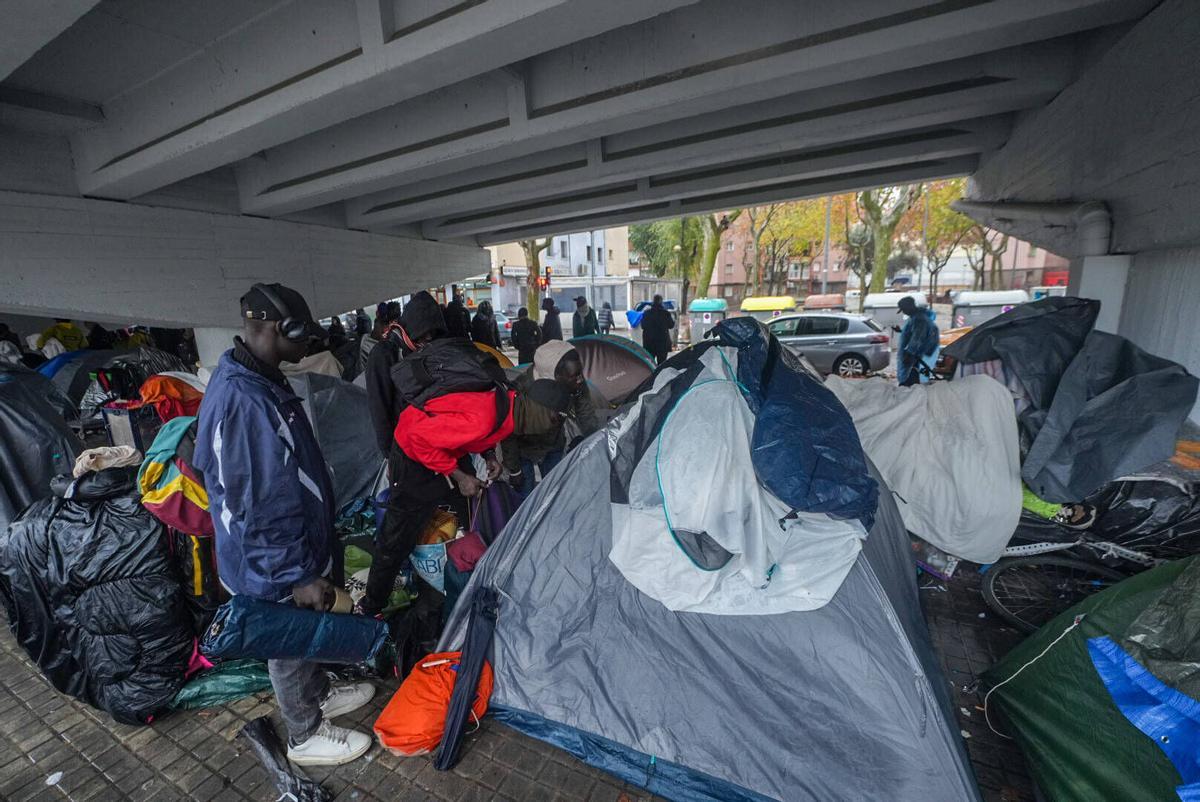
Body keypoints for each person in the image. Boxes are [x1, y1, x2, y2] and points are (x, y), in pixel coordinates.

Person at [193, 283, 374, 766]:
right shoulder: (245, 400)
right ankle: (304, 734)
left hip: (283, 549)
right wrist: (294, 572)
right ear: (279, 329)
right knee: (289, 639)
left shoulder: (253, 379)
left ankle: (316, 694)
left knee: (305, 627)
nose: (311, 346)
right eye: (304, 336)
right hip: (271, 559)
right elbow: (259, 505)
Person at [359, 292, 511, 618]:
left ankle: (451, 594)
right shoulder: (384, 356)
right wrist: (395, 463)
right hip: (414, 460)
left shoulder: (446, 354)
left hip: (450, 458)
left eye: (433, 337)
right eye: (423, 337)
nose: (428, 343)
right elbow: (382, 417)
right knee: (395, 540)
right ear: (408, 329)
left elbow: (467, 409)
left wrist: (484, 452)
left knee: (458, 530)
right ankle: (373, 604)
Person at [503, 342, 599, 498]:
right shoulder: (521, 391)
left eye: (580, 373)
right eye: (574, 375)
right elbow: (507, 432)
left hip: (553, 444)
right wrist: (514, 470)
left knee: (555, 494)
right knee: (525, 498)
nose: (581, 380)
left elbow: (585, 413)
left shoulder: (576, 384)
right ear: (555, 376)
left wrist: (596, 441)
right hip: (523, 451)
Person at [896, 295, 939, 387]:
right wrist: (901, 331)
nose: (903, 312)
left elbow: (917, 338)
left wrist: (909, 354)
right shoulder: (915, 317)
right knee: (911, 383)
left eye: (903, 309)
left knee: (910, 385)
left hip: (916, 358)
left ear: (909, 307)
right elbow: (914, 334)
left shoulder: (919, 320)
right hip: (915, 357)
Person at [640, 295, 675, 365]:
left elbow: (643, 326)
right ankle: (659, 376)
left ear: (653, 302)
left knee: (650, 364)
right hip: (662, 344)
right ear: (661, 302)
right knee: (661, 365)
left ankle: (651, 375)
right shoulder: (665, 313)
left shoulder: (647, 313)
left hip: (649, 343)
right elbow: (671, 325)